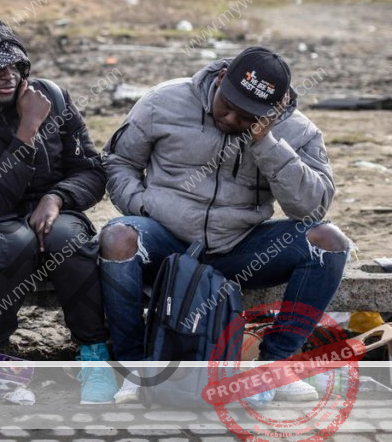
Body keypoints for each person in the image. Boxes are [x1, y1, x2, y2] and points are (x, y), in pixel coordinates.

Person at [100, 46, 351, 406]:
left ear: (272, 111)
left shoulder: (298, 132)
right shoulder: (163, 101)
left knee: (328, 241)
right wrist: (141, 205)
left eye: (247, 116)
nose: (231, 119)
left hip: (240, 249)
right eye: (227, 104)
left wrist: (267, 144)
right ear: (221, 78)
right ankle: (135, 368)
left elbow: (312, 208)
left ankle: (274, 366)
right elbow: (119, 161)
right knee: (117, 237)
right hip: (166, 242)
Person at [0, 17, 116, 406]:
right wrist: (27, 131)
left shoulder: (55, 99)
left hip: (54, 211)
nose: (8, 76)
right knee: (14, 244)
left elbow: (92, 172)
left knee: (66, 238)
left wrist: (57, 198)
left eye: (14, 65)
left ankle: (94, 354)